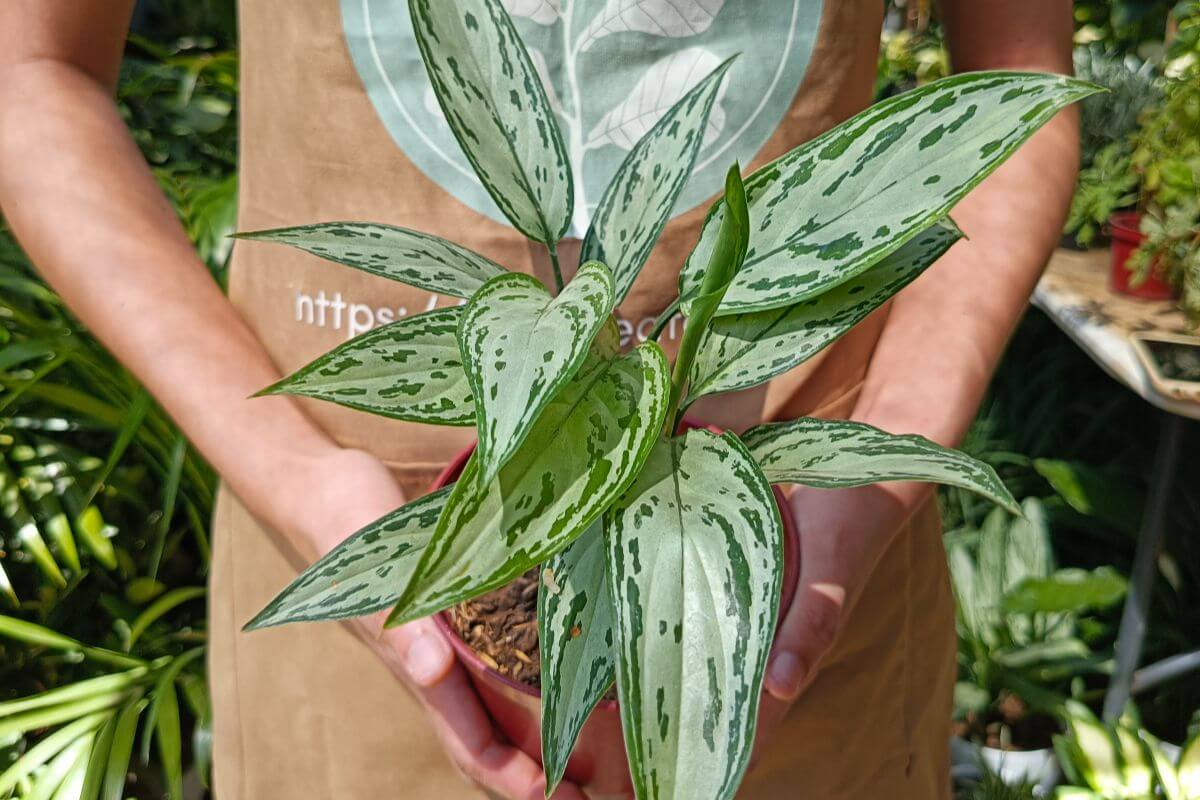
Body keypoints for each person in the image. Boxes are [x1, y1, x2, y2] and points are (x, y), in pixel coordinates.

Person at [0, 1, 1079, 797]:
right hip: (359, 583)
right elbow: (34, 71)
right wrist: (293, 474)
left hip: (798, 571)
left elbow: (1020, 83)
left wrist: (885, 462)